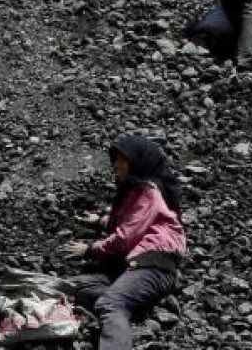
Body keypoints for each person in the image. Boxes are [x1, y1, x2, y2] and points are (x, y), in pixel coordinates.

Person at [61, 134, 186, 350]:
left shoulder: (148, 191)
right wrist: (101, 222)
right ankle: (135, 305)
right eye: (115, 159)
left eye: (122, 160)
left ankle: (122, 310)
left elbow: (125, 238)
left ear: (137, 161)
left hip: (153, 264)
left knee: (110, 304)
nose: (115, 165)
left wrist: (90, 250)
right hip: (133, 265)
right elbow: (131, 221)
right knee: (73, 289)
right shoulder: (134, 190)